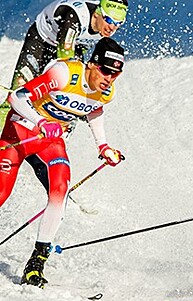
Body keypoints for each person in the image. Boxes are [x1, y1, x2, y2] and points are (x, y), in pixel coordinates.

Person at [0, 37, 125, 288]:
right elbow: (17, 98)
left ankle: (36, 264)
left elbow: (94, 110)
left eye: (116, 74)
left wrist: (103, 146)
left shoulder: (106, 91)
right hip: (18, 133)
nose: (109, 78)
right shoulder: (64, 73)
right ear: (91, 64)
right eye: (105, 71)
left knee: (60, 190)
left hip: (49, 143)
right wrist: (41, 122)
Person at [0, 0, 128, 191]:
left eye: (119, 23)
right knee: (20, 93)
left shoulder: (104, 27)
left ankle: (50, 160)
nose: (112, 27)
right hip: (41, 41)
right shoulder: (75, 17)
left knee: (75, 102)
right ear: (98, 13)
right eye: (109, 20)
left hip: (75, 46)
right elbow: (64, 61)